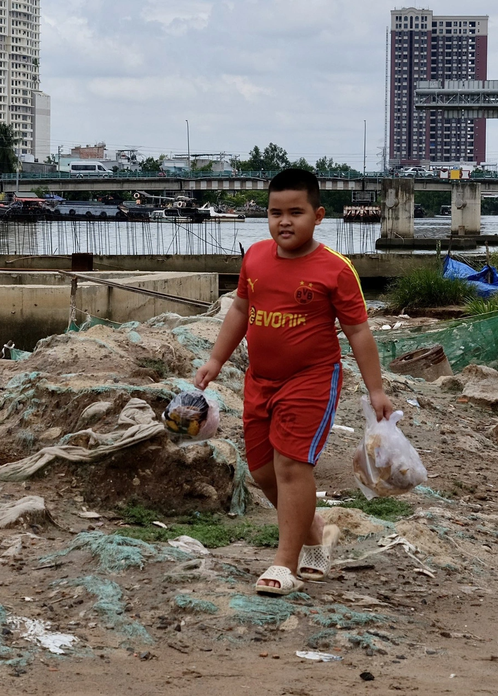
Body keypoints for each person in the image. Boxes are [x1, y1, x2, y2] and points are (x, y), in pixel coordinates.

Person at [194, 168, 393, 595]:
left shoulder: (335, 270)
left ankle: (285, 564)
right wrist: (215, 359)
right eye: (275, 213)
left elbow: (359, 332)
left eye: (296, 212)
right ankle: (315, 535)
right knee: (264, 472)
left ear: (318, 215)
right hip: (259, 381)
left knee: (290, 465)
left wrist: (375, 389)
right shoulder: (256, 258)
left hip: (312, 380)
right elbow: (240, 311)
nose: (285, 221)